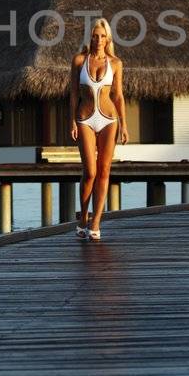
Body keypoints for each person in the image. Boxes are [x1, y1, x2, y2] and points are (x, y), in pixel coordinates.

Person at [69, 16, 126, 240]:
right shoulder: (78, 60)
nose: (98, 39)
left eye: (102, 36)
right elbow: (73, 94)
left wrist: (124, 125)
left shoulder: (116, 63)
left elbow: (119, 96)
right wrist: (71, 120)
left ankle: (96, 222)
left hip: (109, 119)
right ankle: (83, 217)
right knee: (90, 172)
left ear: (107, 38)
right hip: (85, 118)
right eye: (95, 35)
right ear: (89, 37)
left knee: (104, 171)